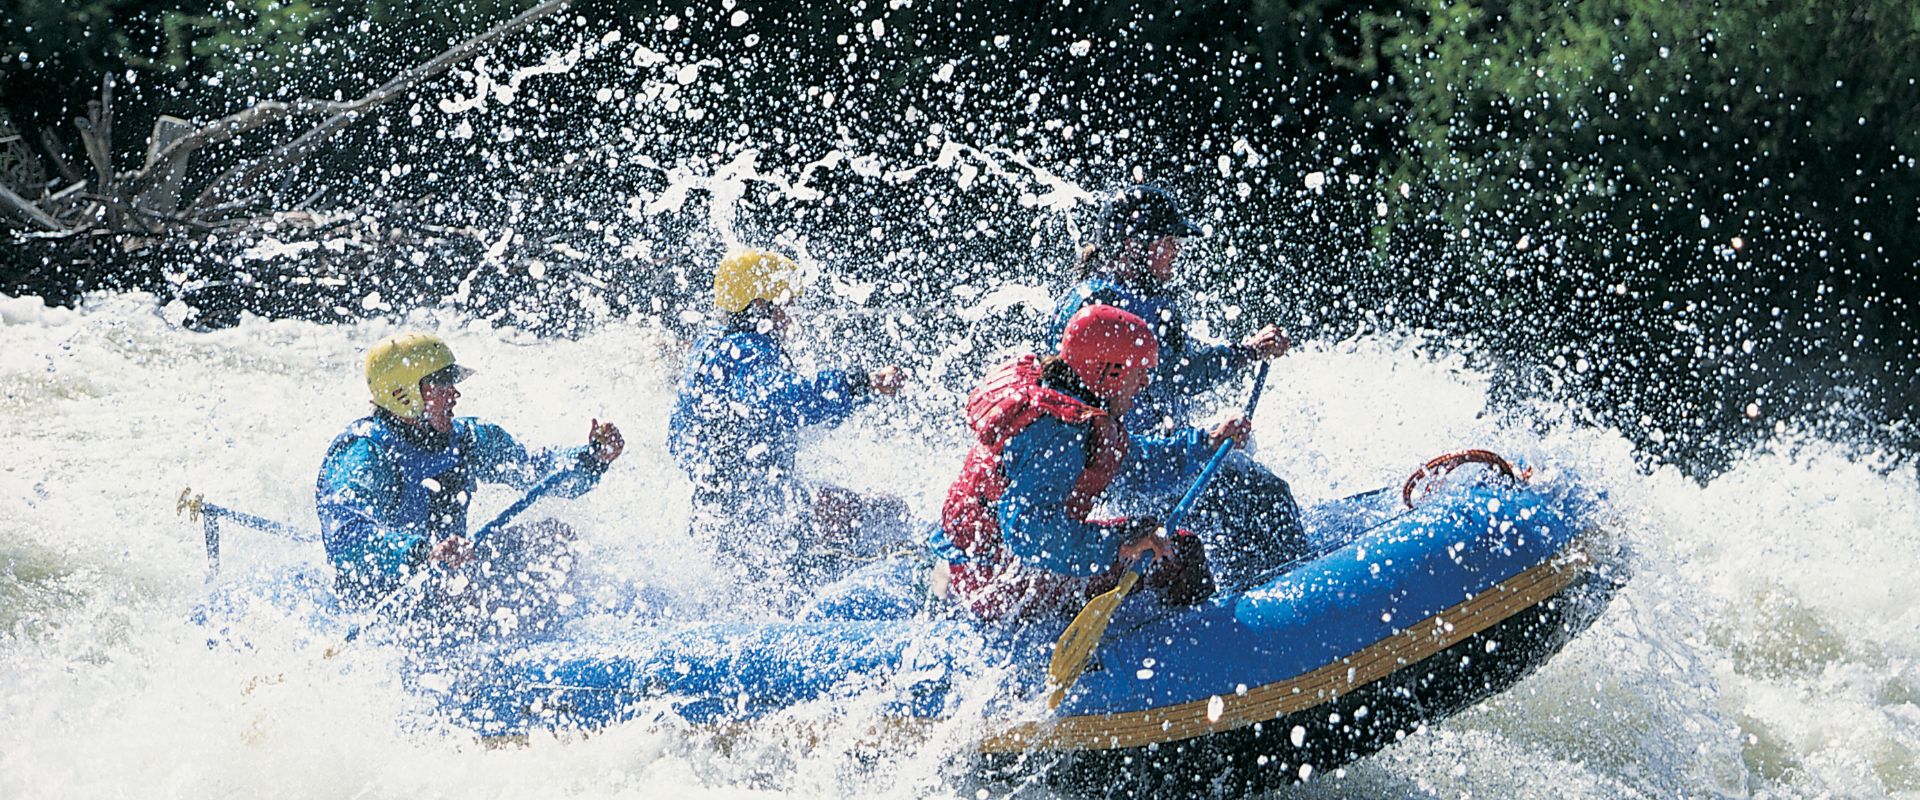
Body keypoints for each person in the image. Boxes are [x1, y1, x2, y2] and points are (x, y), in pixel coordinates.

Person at [1048, 184, 1306, 585]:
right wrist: (1204, 436)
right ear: (1133, 246)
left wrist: (1247, 353)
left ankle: (1251, 583)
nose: (1176, 252)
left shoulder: (1136, 299)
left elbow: (1178, 372)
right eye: (1167, 242)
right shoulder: (1102, 311)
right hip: (1134, 473)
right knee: (1265, 495)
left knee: (1244, 474)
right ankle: (1290, 600)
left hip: (1149, 460)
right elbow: (1174, 381)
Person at [931, 305, 1248, 621]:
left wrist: (1208, 442)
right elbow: (1028, 533)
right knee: (1178, 551)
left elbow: (1138, 464)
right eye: (1137, 372)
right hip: (994, 584)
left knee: (1144, 532)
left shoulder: (1062, 398)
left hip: (972, 564)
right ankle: (1189, 650)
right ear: (1109, 372)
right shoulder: (1060, 432)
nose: (1143, 384)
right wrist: (1117, 546)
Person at [315, 332, 624, 639]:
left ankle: (547, 637)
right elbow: (346, 539)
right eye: (442, 383)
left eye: (453, 383)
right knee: (458, 592)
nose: (454, 395)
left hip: (450, 574)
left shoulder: (468, 439)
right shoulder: (364, 453)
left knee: (555, 540)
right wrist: (422, 554)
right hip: (392, 593)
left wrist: (592, 458)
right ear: (403, 392)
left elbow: (535, 472)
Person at [668, 248, 908, 592]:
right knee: (889, 511)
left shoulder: (709, 348)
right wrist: (859, 383)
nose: (793, 317)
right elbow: (784, 400)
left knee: (855, 505)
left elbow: (679, 440)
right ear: (761, 306)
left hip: (722, 510)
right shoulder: (746, 353)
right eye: (787, 304)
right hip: (758, 521)